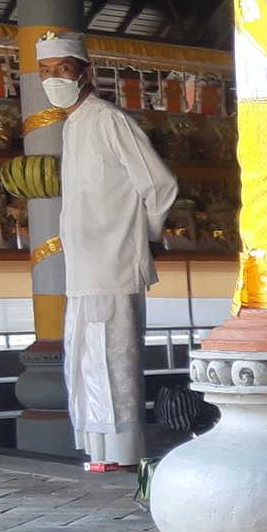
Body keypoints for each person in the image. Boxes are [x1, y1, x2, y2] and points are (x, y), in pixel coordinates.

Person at [34, 31, 177, 473]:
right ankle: (100, 454)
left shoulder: (109, 119)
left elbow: (160, 185)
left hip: (114, 265)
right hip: (84, 271)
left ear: (85, 73)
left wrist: (143, 237)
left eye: (63, 69)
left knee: (113, 361)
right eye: (46, 71)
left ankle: (122, 455)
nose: (53, 78)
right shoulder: (73, 125)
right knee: (87, 362)